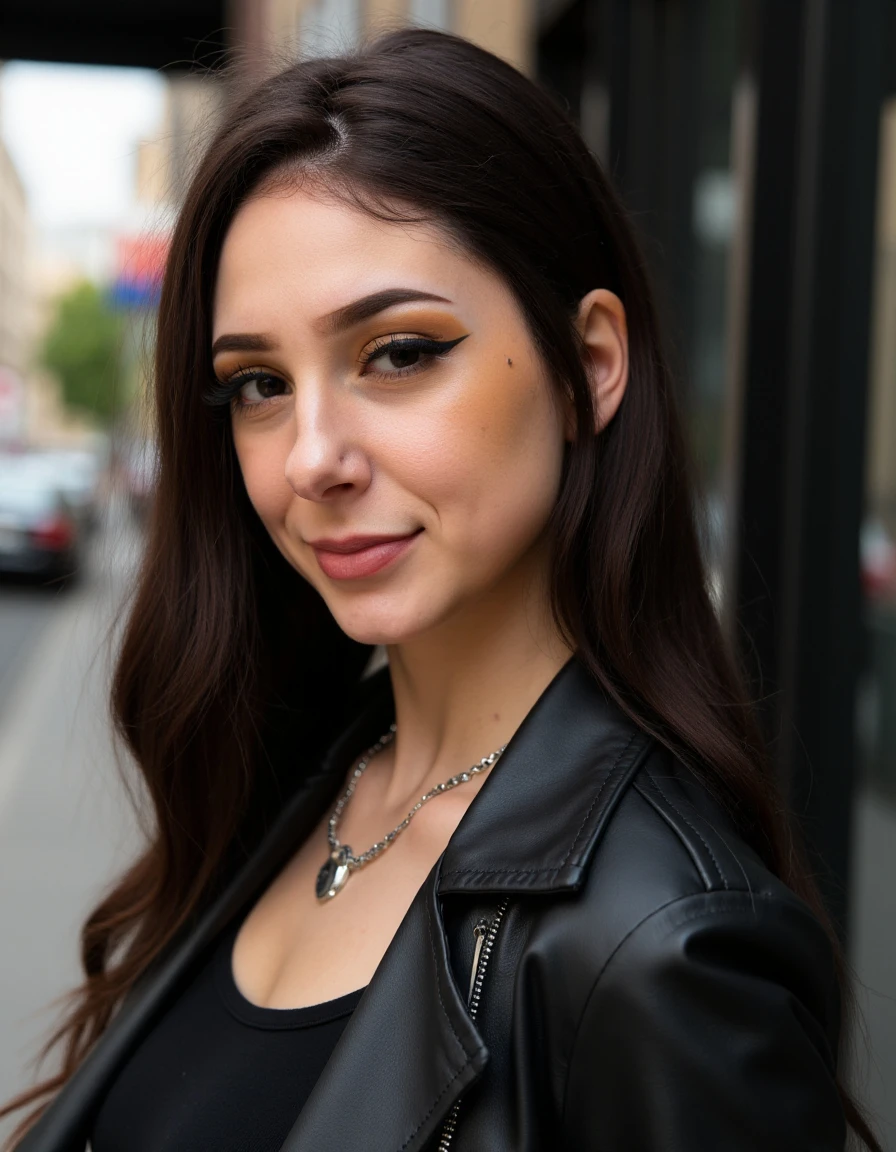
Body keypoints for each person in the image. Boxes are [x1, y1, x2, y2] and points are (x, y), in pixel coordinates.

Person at [1, 27, 881, 1152]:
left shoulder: (663, 950)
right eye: (259, 383)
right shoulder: (294, 781)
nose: (310, 456)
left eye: (399, 352)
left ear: (589, 367)